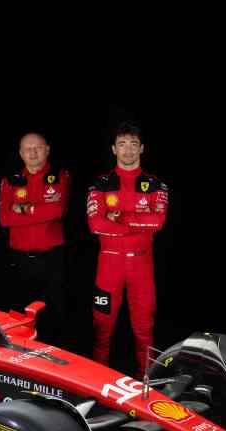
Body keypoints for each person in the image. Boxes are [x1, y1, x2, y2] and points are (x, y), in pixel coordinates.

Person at [87, 122, 168, 371]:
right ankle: (97, 380)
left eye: (133, 144)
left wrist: (119, 217)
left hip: (141, 265)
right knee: (102, 324)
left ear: (142, 148)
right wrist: (136, 223)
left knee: (144, 326)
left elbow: (157, 221)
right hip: (108, 266)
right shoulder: (100, 184)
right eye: (122, 144)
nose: (128, 150)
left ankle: (148, 380)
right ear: (114, 149)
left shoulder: (156, 184)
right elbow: (95, 224)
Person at [0, 132, 70, 344]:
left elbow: (57, 210)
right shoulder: (11, 179)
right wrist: (39, 211)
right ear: (20, 153)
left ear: (47, 149)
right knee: (19, 316)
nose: (33, 152)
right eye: (27, 149)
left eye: (38, 147)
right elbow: (4, 218)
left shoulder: (59, 175)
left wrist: (21, 209)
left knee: (54, 315)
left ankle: (56, 364)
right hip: (19, 260)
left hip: (51, 259)